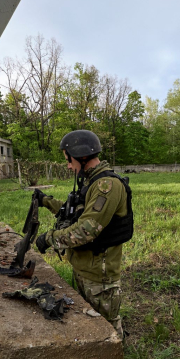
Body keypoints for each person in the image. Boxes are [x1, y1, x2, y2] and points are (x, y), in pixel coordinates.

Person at [34, 130, 133, 339]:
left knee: (107, 329)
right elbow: (74, 212)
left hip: (99, 276)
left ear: (82, 156)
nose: (69, 166)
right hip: (85, 268)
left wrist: (51, 238)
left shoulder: (107, 185)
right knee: (92, 325)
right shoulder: (92, 183)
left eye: (69, 160)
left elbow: (86, 230)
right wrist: (46, 201)